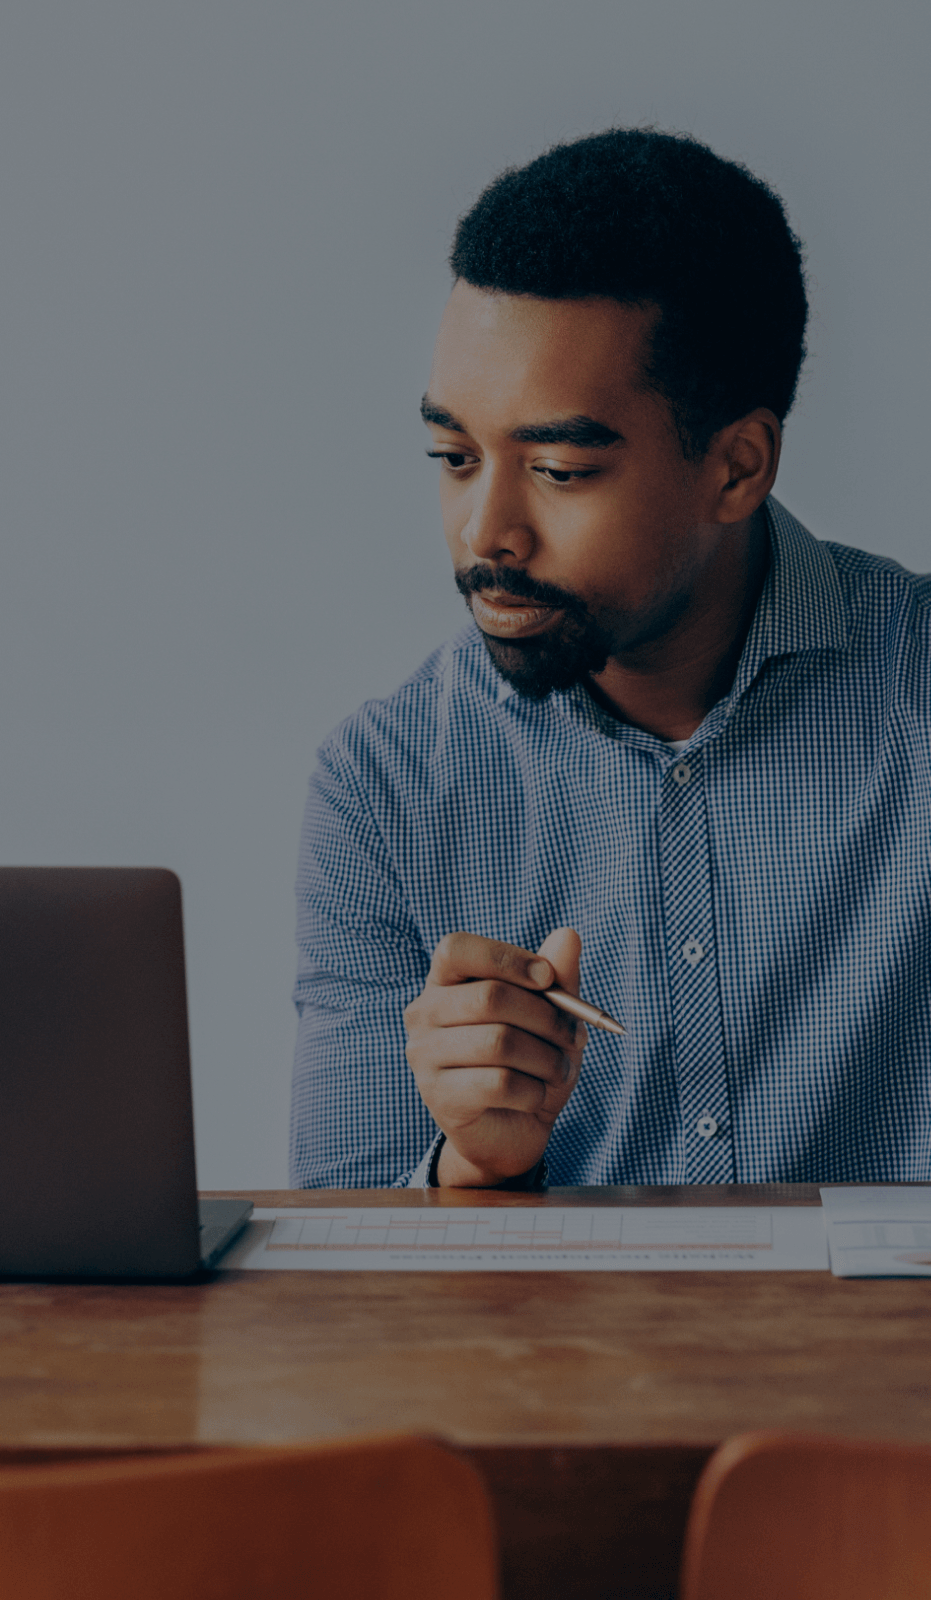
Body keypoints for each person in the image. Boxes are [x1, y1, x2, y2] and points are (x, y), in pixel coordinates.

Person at [291, 128, 931, 1189]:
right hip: (551, 1360)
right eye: (454, 457)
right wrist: (471, 1166)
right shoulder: (383, 783)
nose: (483, 530)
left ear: (737, 467)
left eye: (559, 469)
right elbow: (350, 1270)